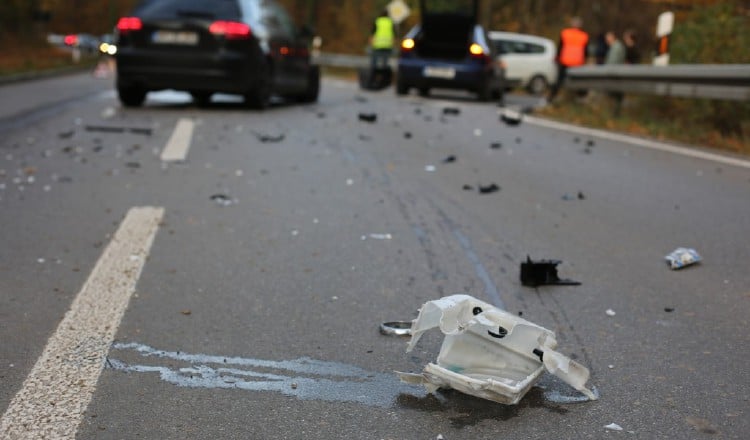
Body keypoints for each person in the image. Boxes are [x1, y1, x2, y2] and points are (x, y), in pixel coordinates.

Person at [548, 16, 589, 103]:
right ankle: (581, 97)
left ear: (572, 24)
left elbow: (560, 47)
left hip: (565, 60)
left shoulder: (565, 33)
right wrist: (585, 60)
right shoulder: (584, 36)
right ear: (580, 25)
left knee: (559, 80)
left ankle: (551, 97)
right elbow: (586, 51)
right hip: (577, 62)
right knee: (579, 80)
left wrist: (557, 57)